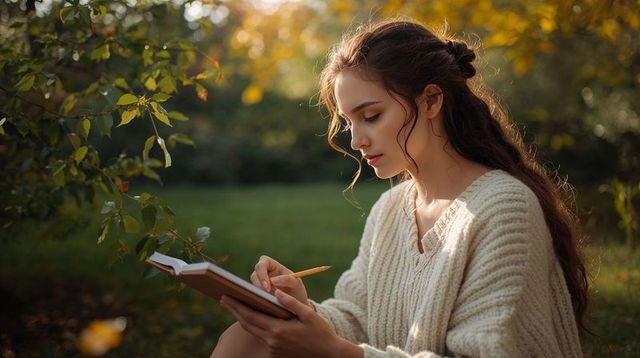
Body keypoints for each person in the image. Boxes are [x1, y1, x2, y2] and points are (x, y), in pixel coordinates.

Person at [211, 19, 588, 357]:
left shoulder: (504, 207)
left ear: (431, 100)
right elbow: (359, 318)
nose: (356, 140)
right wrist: (299, 308)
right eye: (348, 122)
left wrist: (336, 353)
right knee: (248, 335)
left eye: (371, 116)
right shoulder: (391, 207)